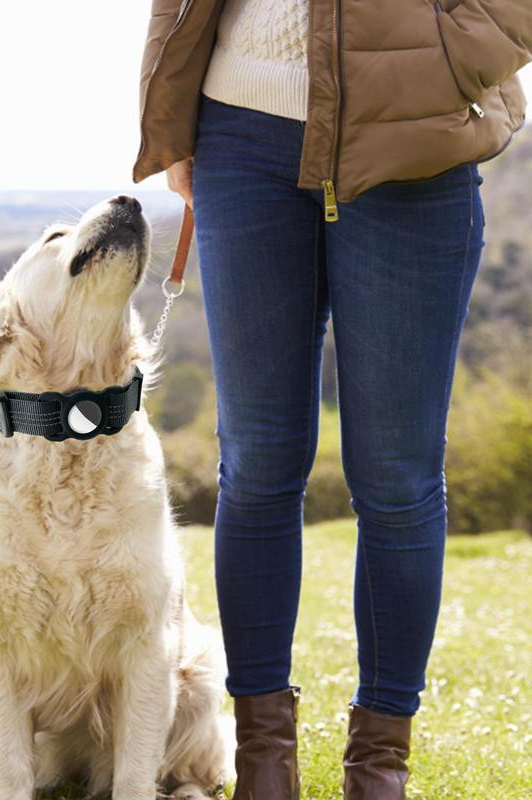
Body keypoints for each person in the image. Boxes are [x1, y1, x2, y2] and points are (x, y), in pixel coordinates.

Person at [133, 1, 532, 798]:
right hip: (241, 132)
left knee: (397, 478)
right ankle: (263, 761)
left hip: (413, 130)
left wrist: (452, 58)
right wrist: (171, 110)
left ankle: (379, 762)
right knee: (256, 466)